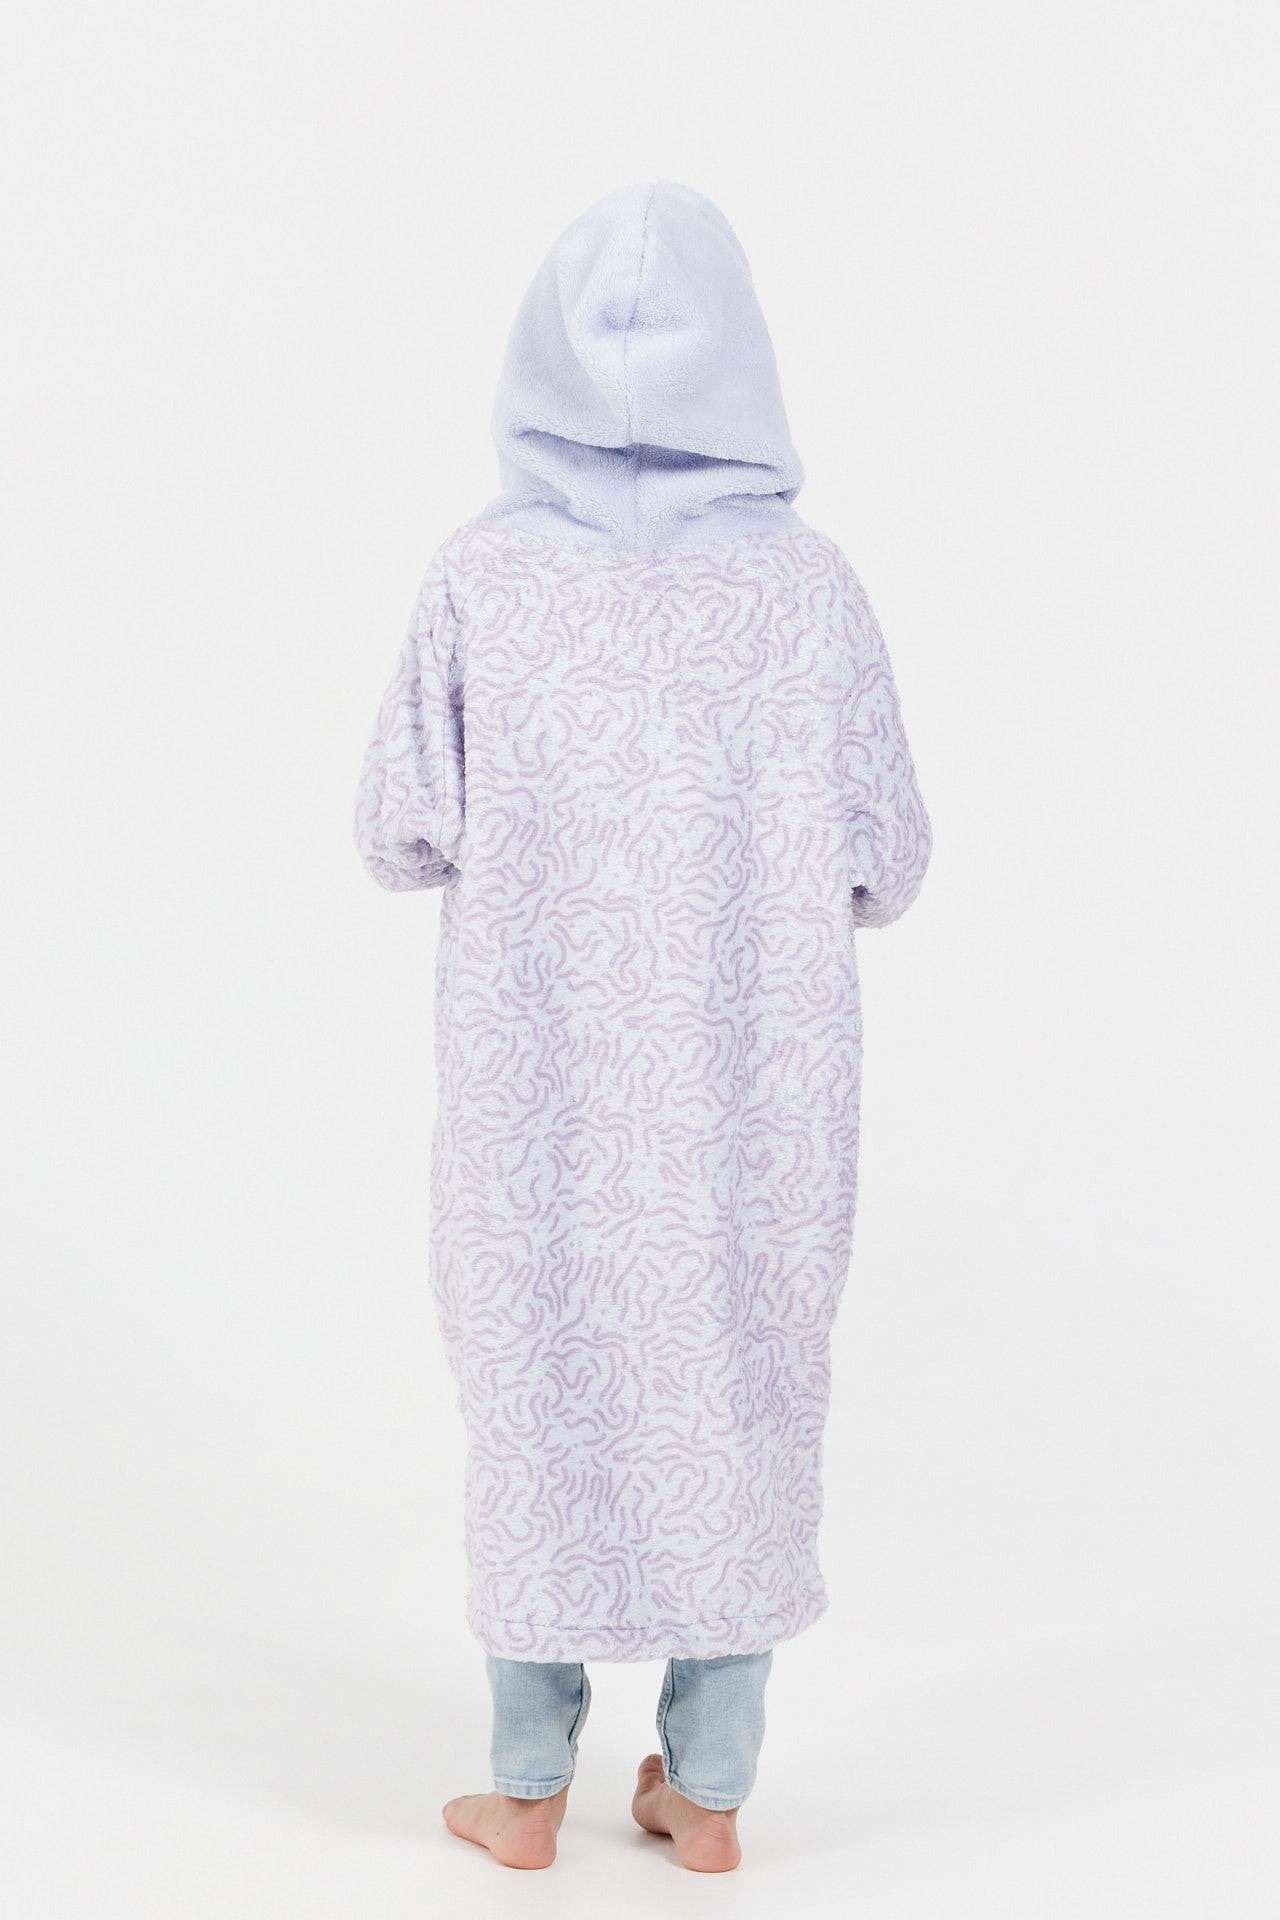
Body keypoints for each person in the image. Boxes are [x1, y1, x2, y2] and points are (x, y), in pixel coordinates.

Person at [355, 181, 931, 1872]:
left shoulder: (481, 580)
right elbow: (892, 862)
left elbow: (395, 830)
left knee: (535, 1378)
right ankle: (713, 1793)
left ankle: (527, 1789)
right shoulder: (808, 595)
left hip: (539, 1097)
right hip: (755, 1101)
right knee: (742, 1376)